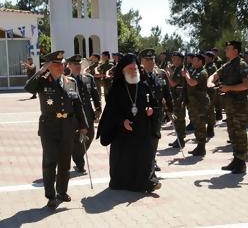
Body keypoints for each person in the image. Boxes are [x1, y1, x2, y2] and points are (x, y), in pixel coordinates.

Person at [24, 51, 88, 209]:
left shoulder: (70, 81)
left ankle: (62, 192)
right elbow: (28, 88)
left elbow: (78, 105)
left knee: (65, 162)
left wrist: (84, 125)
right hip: (49, 127)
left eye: (62, 64)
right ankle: (50, 195)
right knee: (50, 161)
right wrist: (41, 70)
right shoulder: (43, 81)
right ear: (49, 66)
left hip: (67, 126)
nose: (61, 66)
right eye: (57, 64)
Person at [97, 53, 161, 193]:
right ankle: (121, 183)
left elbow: (155, 106)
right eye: (130, 69)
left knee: (144, 158)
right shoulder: (117, 89)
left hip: (142, 130)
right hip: (123, 133)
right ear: (123, 71)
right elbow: (111, 113)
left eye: (135, 69)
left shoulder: (144, 86)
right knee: (123, 161)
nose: (134, 71)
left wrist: (152, 111)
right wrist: (122, 121)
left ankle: (147, 183)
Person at [207, 40, 248, 174]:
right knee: (232, 133)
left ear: (236, 51)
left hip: (240, 105)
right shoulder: (228, 65)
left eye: (228, 49)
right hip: (230, 105)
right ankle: (236, 159)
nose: (226, 51)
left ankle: (241, 162)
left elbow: (246, 85)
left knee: (240, 133)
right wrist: (210, 81)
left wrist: (228, 88)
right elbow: (215, 75)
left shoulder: (241, 65)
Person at [139, 48, 173, 172]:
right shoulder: (138, 74)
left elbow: (167, 92)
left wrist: (170, 109)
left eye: (152, 58)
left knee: (155, 137)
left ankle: (152, 160)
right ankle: (145, 161)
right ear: (142, 61)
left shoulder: (161, 73)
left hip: (157, 111)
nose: (151, 61)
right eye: (147, 59)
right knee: (144, 137)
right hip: (143, 112)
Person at [67, 55, 102, 173]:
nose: (78, 66)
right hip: (74, 115)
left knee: (90, 136)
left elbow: (95, 94)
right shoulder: (66, 80)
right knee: (77, 139)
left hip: (87, 113)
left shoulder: (89, 78)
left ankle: (77, 155)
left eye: (79, 64)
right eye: (75, 64)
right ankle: (79, 162)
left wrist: (98, 108)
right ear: (70, 66)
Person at [183, 54, 209, 156]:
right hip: (194, 103)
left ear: (200, 62)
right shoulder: (194, 71)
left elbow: (192, 83)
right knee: (196, 125)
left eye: (194, 60)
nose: (192, 62)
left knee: (200, 125)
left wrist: (186, 75)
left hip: (200, 103)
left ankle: (201, 148)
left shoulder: (202, 72)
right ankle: (199, 146)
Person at [165, 52, 187, 149]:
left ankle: (181, 140)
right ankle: (178, 138)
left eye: (175, 59)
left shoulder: (181, 69)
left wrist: (167, 75)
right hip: (176, 97)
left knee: (180, 119)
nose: (173, 60)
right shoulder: (177, 69)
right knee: (176, 119)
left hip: (179, 98)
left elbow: (173, 84)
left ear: (180, 60)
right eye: (173, 58)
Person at [204, 51, 217, 138]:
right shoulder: (206, 66)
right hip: (206, 90)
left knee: (211, 110)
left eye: (207, 57)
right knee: (207, 110)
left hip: (211, 91)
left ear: (211, 58)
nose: (206, 58)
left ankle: (210, 128)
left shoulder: (212, 67)